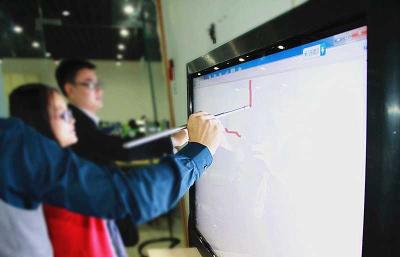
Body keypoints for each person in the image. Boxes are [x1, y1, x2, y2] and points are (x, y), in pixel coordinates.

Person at [0, 88, 222, 254]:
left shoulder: (52, 167)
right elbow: (129, 194)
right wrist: (199, 151)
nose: (73, 120)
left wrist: (174, 142)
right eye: (62, 114)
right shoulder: (19, 149)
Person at [55, 58, 186, 248]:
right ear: (69, 89)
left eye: (99, 83)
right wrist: (173, 141)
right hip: (94, 215)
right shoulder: (75, 122)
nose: (99, 90)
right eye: (90, 84)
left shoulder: (85, 122)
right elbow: (118, 148)